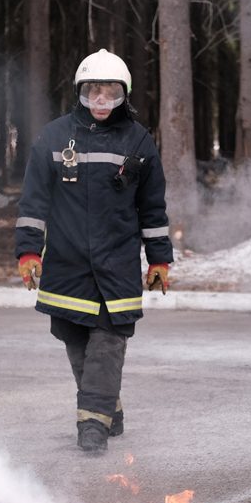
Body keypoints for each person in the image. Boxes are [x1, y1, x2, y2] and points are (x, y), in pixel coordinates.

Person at [15, 48, 173, 454]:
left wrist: (159, 257)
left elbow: (152, 207)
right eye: (93, 93)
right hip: (66, 265)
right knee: (77, 343)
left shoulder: (138, 140)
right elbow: (33, 202)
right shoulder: (53, 137)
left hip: (117, 264)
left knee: (109, 341)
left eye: (110, 94)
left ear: (124, 95)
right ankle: (108, 409)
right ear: (80, 92)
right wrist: (28, 252)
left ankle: (92, 426)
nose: (101, 102)